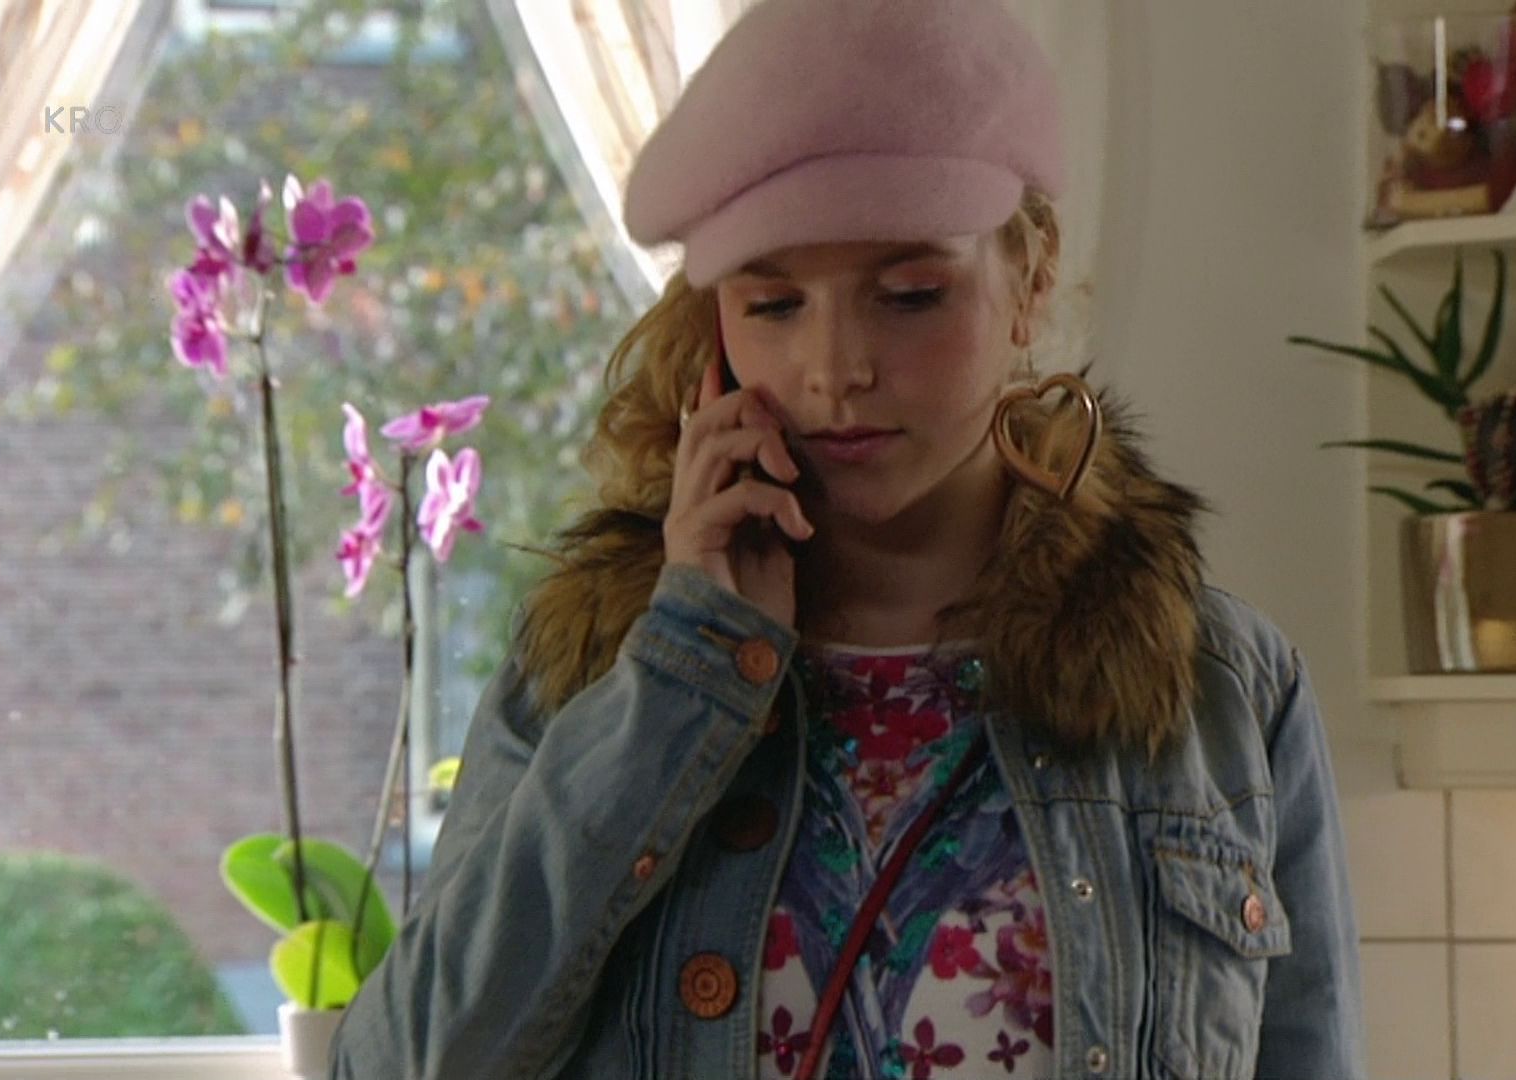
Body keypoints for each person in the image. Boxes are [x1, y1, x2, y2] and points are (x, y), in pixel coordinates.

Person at [328, 0, 1365, 1077]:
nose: (836, 370)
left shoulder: (1221, 690)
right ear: (715, 328)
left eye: (910, 296)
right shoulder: (591, 673)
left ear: (1030, 280)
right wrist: (683, 676)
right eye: (773, 306)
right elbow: (395, 1065)